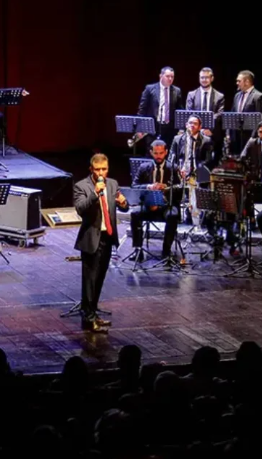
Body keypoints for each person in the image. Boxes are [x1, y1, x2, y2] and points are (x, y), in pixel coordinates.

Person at [73, 153, 128, 333]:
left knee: (100, 279)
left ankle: (93, 312)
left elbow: (123, 206)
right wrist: (95, 193)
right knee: (89, 279)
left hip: (108, 237)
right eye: (98, 170)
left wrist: (123, 202)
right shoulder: (81, 186)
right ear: (91, 170)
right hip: (91, 238)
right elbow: (80, 209)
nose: (101, 173)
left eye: (104, 169)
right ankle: (88, 317)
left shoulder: (112, 184)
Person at [130, 140, 181, 261]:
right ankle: (138, 250)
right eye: (156, 153)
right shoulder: (143, 167)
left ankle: (166, 251)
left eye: (161, 153)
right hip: (148, 204)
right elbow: (134, 186)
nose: (158, 156)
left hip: (165, 205)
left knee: (173, 215)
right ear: (151, 153)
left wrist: (166, 189)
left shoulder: (173, 168)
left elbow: (179, 190)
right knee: (134, 213)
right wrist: (149, 186)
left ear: (166, 152)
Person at [170, 115, 212, 225]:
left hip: (198, 173)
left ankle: (198, 218)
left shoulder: (206, 141)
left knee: (199, 185)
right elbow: (171, 158)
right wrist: (178, 170)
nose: (192, 125)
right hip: (181, 173)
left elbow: (208, 160)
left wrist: (197, 170)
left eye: (195, 124)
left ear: (200, 127)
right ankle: (177, 218)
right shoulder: (177, 139)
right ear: (186, 125)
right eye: (190, 123)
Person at [136, 66, 183, 151]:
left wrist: (181, 128)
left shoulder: (177, 91)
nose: (170, 79)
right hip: (153, 128)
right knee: (152, 152)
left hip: (169, 129)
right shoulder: (150, 89)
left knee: (168, 153)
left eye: (172, 77)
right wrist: (140, 128)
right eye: (168, 76)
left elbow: (179, 111)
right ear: (160, 76)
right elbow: (142, 109)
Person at [185, 67, 225, 158]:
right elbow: (190, 113)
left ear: (212, 78)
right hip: (195, 132)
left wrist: (209, 128)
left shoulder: (219, 96)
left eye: (206, 77)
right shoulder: (192, 94)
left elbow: (219, 114)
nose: (204, 80)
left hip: (213, 133)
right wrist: (200, 129)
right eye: (202, 77)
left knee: (212, 162)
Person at [228, 70, 262, 154]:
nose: (237, 83)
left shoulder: (258, 96)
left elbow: (259, 119)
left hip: (249, 137)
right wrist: (228, 134)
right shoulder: (237, 96)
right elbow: (231, 115)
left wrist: (253, 137)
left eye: (239, 81)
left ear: (247, 82)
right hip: (236, 137)